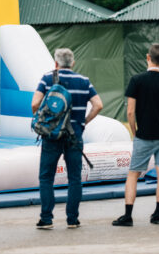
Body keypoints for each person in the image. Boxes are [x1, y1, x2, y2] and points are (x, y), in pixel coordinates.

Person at [31, 48, 103, 229]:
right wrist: (83, 122)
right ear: (73, 63)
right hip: (74, 134)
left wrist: (45, 122)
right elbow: (98, 105)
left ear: (56, 63)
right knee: (74, 178)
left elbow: (34, 103)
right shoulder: (84, 81)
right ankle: (72, 219)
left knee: (46, 177)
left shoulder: (47, 79)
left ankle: (46, 218)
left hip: (52, 135)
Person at [112, 43, 159, 226]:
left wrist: (135, 132)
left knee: (133, 174)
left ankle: (128, 215)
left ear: (148, 58)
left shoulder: (137, 80)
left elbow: (131, 112)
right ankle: (157, 214)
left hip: (144, 135)